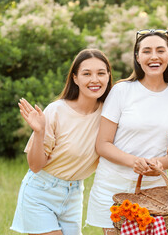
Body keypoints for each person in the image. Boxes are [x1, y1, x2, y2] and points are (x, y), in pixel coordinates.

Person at [86, 29, 168, 235]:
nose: (154, 56)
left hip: (153, 193)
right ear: (137, 57)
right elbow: (103, 144)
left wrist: (159, 164)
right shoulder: (121, 91)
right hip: (112, 187)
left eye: (160, 50)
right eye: (147, 51)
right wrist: (134, 162)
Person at [10, 49, 113, 235]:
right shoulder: (56, 110)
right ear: (75, 78)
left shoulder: (109, 114)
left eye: (101, 73)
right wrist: (39, 132)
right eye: (87, 74)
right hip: (40, 192)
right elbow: (35, 166)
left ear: (108, 76)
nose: (95, 80)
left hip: (73, 194)